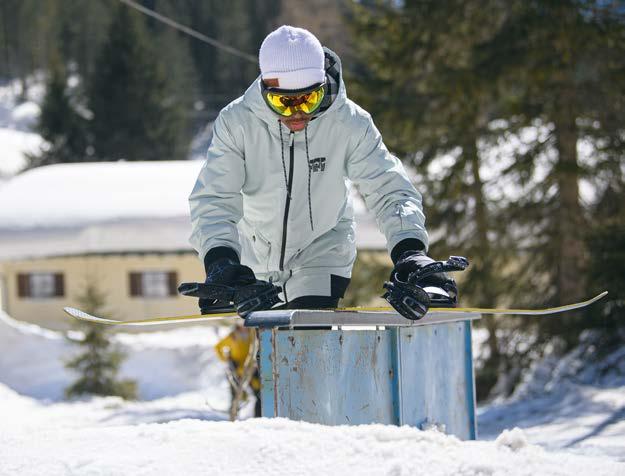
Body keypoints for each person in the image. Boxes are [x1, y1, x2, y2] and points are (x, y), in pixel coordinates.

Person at [189, 25, 457, 317]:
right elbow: (215, 198)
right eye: (283, 103)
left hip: (323, 251)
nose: (297, 114)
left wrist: (410, 251)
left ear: (322, 87)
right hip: (256, 260)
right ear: (266, 90)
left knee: (308, 332)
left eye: (309, 100)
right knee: (271, 339)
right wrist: (220, 261)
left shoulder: (349, 122)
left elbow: (389, 189)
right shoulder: (237, 123)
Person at [214, 324, 261, 418]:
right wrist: (225, 358)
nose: (243, 326)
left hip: (251, 370)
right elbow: (218, 347)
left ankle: (258, 417)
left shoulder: (253, 334)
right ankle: (233, 417)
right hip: (236, 371)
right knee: (236, 396)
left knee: (259, 394)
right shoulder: (233, 336)